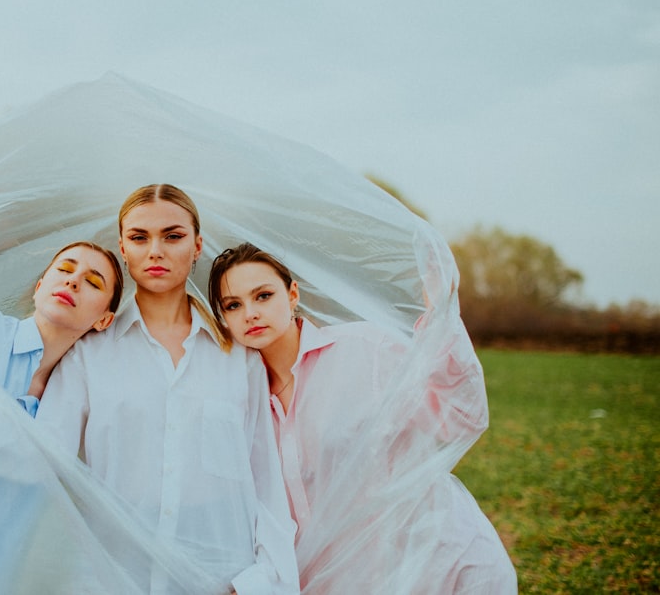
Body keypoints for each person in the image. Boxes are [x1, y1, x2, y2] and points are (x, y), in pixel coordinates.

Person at [208, 242, 518, 594]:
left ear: (292, 294)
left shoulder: (365, 350)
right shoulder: (238, 400)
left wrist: (442, 321)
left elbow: (461, 415)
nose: (249, 313)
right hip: (336, 581)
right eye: (233, 305)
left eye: (263, 296)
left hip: (434, 564)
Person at [37, 185, 300, 595]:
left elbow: (266, 482)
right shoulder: (87, 355)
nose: (155, 251)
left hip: (225, 580)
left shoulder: (239, 358)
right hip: (115, 581)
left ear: (197, 246)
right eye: (140, 238)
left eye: (172, 236)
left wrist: (260, 581)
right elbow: (45, 471)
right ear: (123, 248)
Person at [0, 240, 123, 417]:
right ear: (39, 287)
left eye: (92, 282)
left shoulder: (73, 408)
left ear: (104, 321)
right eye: (64, 269)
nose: (72, 281)